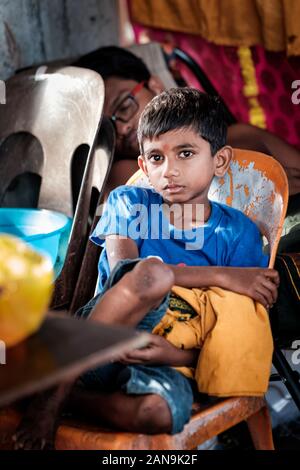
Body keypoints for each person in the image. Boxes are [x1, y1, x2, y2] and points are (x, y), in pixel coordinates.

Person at [13, 89, 278, 449]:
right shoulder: (131, 202)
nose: (169, 170)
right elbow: (129, 272)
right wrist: (219, 275)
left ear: (219, 160)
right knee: (152, 274)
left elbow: (236, 335)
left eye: (186, 153)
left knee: (158, 414)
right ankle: (59, 387)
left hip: (169, 360)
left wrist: (172, 355)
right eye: (156, 157)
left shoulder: (238, 235)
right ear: (143, 167)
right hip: (100, 342)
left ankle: (62, 398)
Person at [73, 46, 300, 199]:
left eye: (124, 106)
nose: (121, 128)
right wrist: (258, 188)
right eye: (107, 126)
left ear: (155, 85)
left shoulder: (246, 136)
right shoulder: (126, 174)